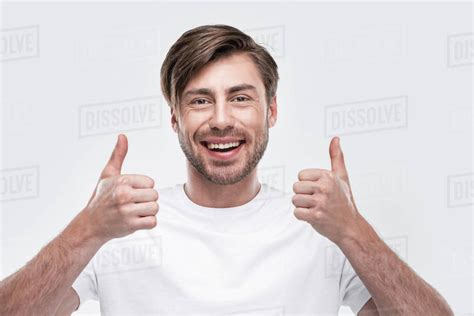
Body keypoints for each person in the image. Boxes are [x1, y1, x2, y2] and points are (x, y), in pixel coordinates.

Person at [0, 24, 453, 316]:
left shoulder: (322, 229)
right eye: (200, 100)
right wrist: (87, 230)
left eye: (240, 97)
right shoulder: (121, 227)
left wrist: (353, 231)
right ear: (175, 117)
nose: (220, 118)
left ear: (271, 110)